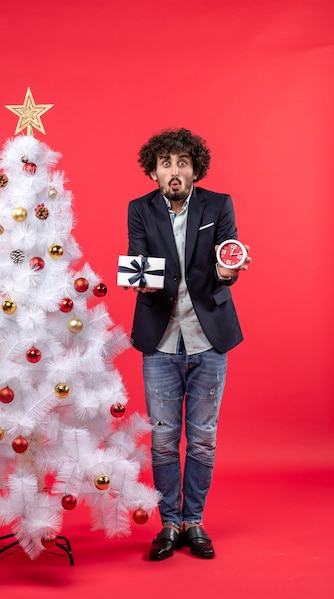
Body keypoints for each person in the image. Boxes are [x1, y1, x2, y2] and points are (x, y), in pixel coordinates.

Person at [126, 128, 251, 561]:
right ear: (154, 171)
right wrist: (141, 285)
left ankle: (193, 521)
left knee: (202, 440)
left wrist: (228, 270)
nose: (174, 171)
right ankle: (168, 524)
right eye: (166, 163)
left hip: (208, 339)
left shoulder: (219, 205)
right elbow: (137, 258)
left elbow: (224, 262)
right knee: (163, 440)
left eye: (182, 163)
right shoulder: (139, 210)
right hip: (159, 340)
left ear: (195, 168)